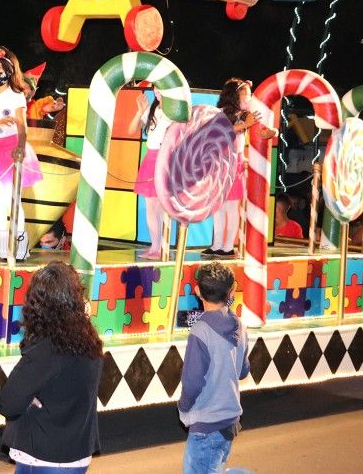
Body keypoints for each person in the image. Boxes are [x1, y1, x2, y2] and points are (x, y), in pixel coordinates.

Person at [0, 262, 103, 473]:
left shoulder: (46, 349)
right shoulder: (89, 340)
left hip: (43, 456)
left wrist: (28, 401)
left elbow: (8, 402)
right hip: (78, 453)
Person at [179, 261, 249, 473]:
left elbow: (192, 382)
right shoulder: (240, 325)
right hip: (228, 420)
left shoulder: (200, 332)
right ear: (232, 290)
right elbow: (243, 370)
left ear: (198, 291)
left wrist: (183, 406)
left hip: (206, 424)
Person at [0, 49, 42, 261]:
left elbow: (22, 126)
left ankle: (22, 245)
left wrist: (21, 147)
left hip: (11, 150)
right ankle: (1, 247)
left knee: (13, 200)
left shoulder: (15, 95)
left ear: (8, 70)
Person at [205, 78, 275, 258]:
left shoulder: (246, 114)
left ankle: (228, 247)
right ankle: (216, 245)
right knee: (218, 208)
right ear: (234, 95)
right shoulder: (218, 113)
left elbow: (269, 128)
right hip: (219, 164)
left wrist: (270, 132)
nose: (249, 97)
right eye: (245, 93)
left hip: (234, 164)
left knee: (231, 206)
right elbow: (217, 134)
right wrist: (244, 125)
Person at [128, 87, 172, 260]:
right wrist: (140, 111)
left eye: (163, 88)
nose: (159, 92)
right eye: (156, 89)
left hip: (165, 159)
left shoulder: (175, 113)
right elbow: (132, 130)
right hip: (151, 159)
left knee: (159, 207)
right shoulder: (152, 110)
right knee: (151, 207)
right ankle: (156, 246)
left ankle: (159, 247)